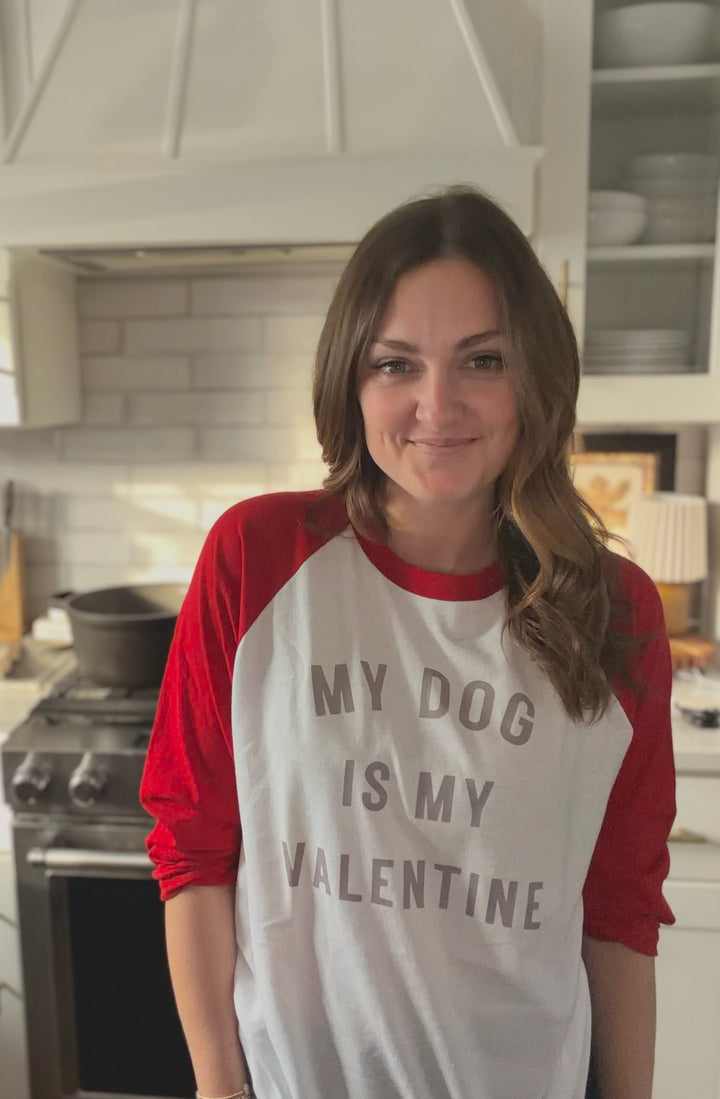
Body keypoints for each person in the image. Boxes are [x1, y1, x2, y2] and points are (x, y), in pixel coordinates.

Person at [140, 185, 676, 1099]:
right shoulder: (257, 559)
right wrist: (220, 1089)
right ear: (351, 379)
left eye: (482, 359)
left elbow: (619, 913)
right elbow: (194, 848)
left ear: (534, 375)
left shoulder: (613, 611)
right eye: (396, 364)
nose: (437, 404)